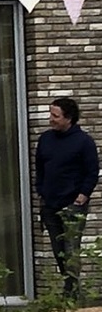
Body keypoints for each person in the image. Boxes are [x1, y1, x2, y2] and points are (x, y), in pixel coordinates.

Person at [36, 97, 99, 299]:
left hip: (73, 205)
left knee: (71, 249)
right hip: (50, 205)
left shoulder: (84, 142)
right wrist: (41, 192)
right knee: (58, 249)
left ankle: (71, 293)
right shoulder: (45, 139)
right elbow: (40, 168)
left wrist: (82, 197)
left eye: (55, 115)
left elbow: (92, 172)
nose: (50, 119)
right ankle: (69, 289)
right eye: (50, 114)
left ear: (68, 118)